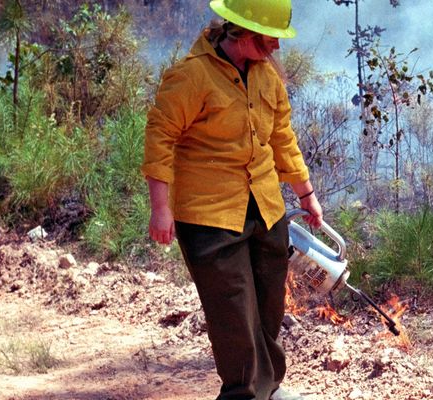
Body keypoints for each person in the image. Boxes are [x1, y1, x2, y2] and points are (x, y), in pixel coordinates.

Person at [141, 0, 321, 399]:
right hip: (210, 216)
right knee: (234, 314)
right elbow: (160, 136)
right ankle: (243, 393)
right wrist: (160, 206)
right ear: (242, 31)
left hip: (265, 206)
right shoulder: (193, 76)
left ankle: (268, 388)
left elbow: (282, 139)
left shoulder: (266, 77)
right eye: (270, 37)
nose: (276, 47)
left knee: (268, 306)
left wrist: (306, 194)